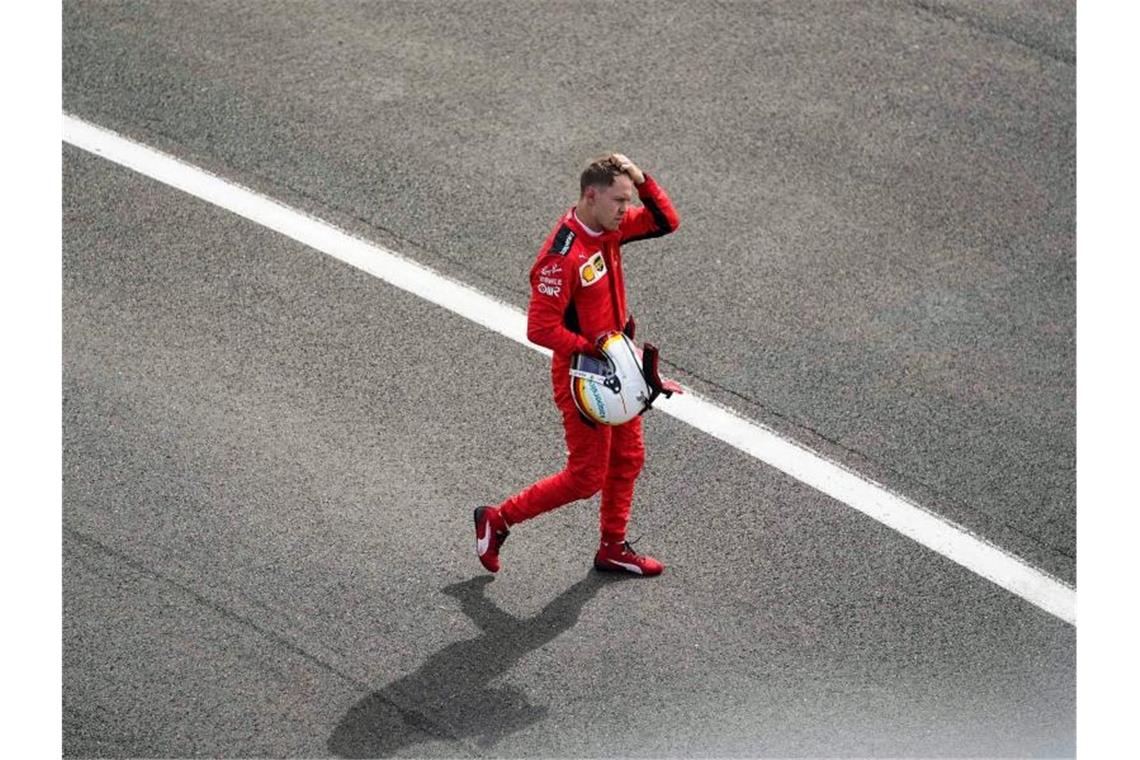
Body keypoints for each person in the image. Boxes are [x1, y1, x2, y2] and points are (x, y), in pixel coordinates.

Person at [474, 153, 680, 576]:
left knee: (629, 458)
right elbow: (540, 328)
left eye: (629, 200)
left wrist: (642, 180)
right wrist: (596, 350)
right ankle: (498, 519)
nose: (627, 210)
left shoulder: (611, 229)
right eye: (620, 200)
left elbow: (666, 221)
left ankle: (612, 548)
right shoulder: (561, 255)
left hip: (619, 367)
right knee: (587, 476)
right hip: (583, 377)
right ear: (591, 195)